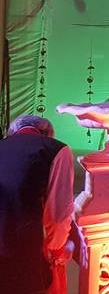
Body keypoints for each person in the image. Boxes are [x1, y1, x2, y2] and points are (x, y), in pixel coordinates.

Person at [0, 115, 75, 294]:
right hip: (26, 250)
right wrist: (57, 251)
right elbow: (58, 214)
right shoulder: (56, 150)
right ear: (47, 133)